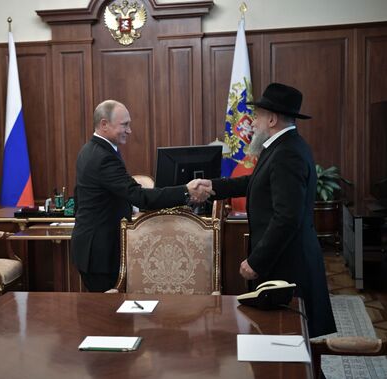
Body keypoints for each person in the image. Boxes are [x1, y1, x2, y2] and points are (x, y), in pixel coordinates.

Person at [206, 83, 335, 338]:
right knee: (276, 346)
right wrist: (212, 187)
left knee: (286, 348)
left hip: (287, 265)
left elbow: (287, 217)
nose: (252, 123)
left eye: (257, 116)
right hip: (283, 259)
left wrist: (257, 261)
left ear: (273, 119)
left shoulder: (288, 153)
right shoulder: (281, 147)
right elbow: (253, 183)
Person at [71, 99, 212, 292]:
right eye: (125, 125)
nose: (129, 130)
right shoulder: (102, 157)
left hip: (95, 248)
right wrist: (185, 190)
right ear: (104, 124)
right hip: (99, 253)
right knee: (106, 317)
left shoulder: (92, 150)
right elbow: (139, 196)